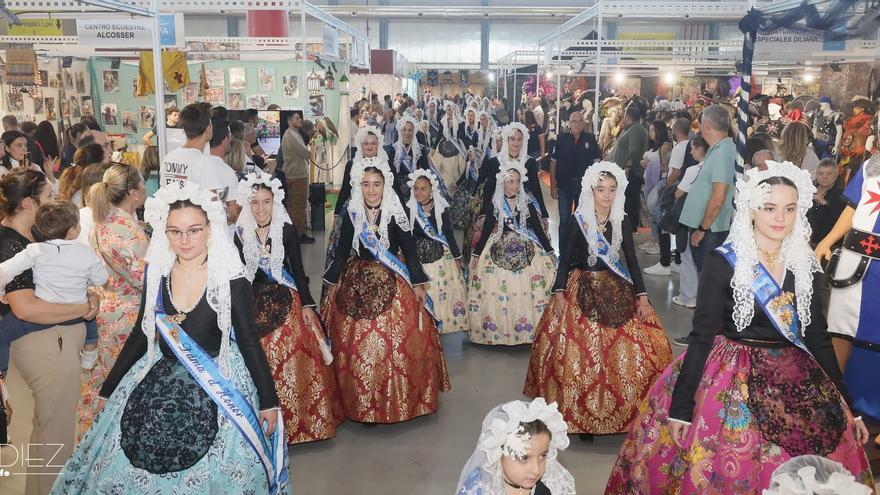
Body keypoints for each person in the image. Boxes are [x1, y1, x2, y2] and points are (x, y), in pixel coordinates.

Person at [605, 162, 872, 494]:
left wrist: (847, 404)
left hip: (795, 377)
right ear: (751, 210)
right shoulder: (725, 261)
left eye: (789, 208)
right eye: (770, 208)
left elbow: (817, 337)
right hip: (731, 375)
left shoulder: (806, 265)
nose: (780, 218)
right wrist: (682, 410)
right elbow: (701, 336)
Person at [52, 182, 288, 494]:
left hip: (217, 378)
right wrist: (107, 391)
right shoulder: (157, 273)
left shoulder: (230, 278)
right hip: (159, 373)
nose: (184, 240)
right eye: (175, 231)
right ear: (164, 232)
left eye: (193, 230)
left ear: (209, 229)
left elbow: (248, 340)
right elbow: (141, 333)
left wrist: (268, 401)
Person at [525, 162, 672, 438]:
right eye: (601, 189)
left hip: (615, 288)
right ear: (591, 190)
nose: (606, 195)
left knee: (630, 350)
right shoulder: (578, 221)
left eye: (612, 190)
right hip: (581, 287)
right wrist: (558, 291)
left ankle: (620, 413)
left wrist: (642, 296)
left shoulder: (622, 221)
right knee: (583, 353)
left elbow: (632, 261)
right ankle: (582, 415)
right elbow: (565, 261)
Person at [322, 157, 450, 423]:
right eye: (366, 184)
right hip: (357, 278)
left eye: (376, 184)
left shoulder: (396, 209)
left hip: (394, 278)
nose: (371, 190)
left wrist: (417, 283)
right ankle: (360, 402)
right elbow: (342, 251)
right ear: (360, 185)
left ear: (385, 185)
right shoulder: (352, 211)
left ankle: (400, 400)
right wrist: (331, 285)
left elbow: (410, 250)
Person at [0, 168, 98, 494]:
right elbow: (25, 308)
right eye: (47, 195)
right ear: (28, 202)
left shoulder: (36, 237)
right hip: (44, 343)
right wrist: (82, 308)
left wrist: (89, 294)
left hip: (54, 339)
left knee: (49, 429)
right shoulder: (12, 244)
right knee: (54, 431)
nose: (53, 199)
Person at [235, 173, 342, 444]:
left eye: (266, 202)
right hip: (253, 300)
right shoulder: (241, 234)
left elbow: (298, 269)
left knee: (296, 347)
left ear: (275, 202)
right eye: (255, 203)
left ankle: (299, 421)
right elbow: (237, 278)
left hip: (287, 296)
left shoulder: (286, 230)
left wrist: (307, 304)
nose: (260, 209)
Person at [77, 164, 149, 436]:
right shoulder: (123, 232)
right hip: (127, 318)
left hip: (108, 313)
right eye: (142, 186)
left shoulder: (105, 220)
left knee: (104, 381)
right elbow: (145, 278)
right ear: (132, 193)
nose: (145, 190)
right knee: (124, 384)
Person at [0, 200, 106, 375]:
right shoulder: (85, 252)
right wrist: (86, 282)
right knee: (90, 313)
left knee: (2, 333)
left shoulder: (34, 250)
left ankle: (2, 372)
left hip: (44, 314)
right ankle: (89, 353)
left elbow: (5, 270)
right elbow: (101, 279)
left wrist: (3, 292)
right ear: (73, 231)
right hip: (76, 316)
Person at [816, 152, 880, 428]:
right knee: (839, 332)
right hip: (854, 263)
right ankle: (836, 402)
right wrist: (826, 241)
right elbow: (852, 208)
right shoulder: (871, 165)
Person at [468, 159, 556, 346]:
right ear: (502, 183)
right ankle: (500, 329)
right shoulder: (496, 204)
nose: (515, 185)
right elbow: (486, 232)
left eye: (517, 181)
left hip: (526, 245)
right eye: (510, 181)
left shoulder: (527, 204)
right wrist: (476, 255)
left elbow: (539, 232)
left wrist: (549, 251)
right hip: (499, 244)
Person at [455, 398, 576, 495]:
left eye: (543, 456)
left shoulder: (544, 490)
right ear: (498, 453)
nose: (536, 470)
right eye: (524, 458)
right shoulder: (480, 489)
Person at [406, 169, 467, 333]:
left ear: (431, 189)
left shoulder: (441, 209)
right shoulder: (408, 209)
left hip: (440, 258)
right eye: (416, 188)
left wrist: (457, 257)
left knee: (440, 293)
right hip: (418, 260)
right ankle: (422, 326)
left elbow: (448, 234)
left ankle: (438, 324)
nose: (419, 192)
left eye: (423, 188)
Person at [678, 104, 736, 274]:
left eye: (701, 125)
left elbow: (718, 198)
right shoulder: (718, 149)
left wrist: (702, 229)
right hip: (709, 228)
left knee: (708, 281)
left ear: (707, 126)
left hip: (711, 230)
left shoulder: (722, 152)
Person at [549, 110, 600, 257]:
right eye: (574, 121)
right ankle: (563, 254)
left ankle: (580, 252)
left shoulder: (590, 139)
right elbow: (553, 164)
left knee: (582, 220)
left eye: (580, 121)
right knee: (564, 220)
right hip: (564, 186)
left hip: (584, 188)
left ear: (584, 123)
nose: (577, 124)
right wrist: (553, 187)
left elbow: (597, 164)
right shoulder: (561, 139)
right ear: (569, 123)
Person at [671, 136, 708, 310]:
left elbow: (679, 193)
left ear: (701, 149)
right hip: (709, 219)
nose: (691, 152)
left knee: (688, 258)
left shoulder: (694, 170)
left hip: (691, 218)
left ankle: (688, 296)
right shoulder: (716, 168)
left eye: (693, 148)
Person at [611, 106, 649, 233]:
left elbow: (634, 150)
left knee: (629, 201)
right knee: (627, 200)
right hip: (627, 172)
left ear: (627, 116)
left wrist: (627, 166)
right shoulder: (632, 129)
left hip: (630, 173)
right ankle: (627, 227)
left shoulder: (636, 129)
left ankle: (629, 228)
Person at [159, 102, 213, 187]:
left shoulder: (168, 158)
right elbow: (211, 197)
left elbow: (163, 191)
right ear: (208, 128)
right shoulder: (205, 163)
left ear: (184, 129)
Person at [280, 111, 315, 243]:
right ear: (290, 121)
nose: (300, 120)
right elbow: (305, 153)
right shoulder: (290, 135)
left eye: (299, 117)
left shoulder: (295, 134)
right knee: (297, 206)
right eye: (297, 118)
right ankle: (299, 234)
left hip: (299, 174)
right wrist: (309, 153)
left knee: (298, 205)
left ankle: (298, 232)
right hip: (296, 175)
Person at [808, 159, 845, 247]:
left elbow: (840, 219)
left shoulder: (842, 194)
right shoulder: (809, 190)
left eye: (829, 174)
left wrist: (824, 203)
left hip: (828, 245)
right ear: (816, 175)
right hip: (806, 241)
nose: (824, 177)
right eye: (821, 173)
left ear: (836, 175)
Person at [432, 101, 467, 196]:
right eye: (447, 110)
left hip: (457, 147)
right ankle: (443, 191)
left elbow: (463, 137)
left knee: (455, 169)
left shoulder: (461, 122)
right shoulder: (443, 121)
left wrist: (468, 149)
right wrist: (433, 149)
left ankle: (454, 191)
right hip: (443, 145)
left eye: (450, 110)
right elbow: (439, 136)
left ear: (454, 110)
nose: (449, 112)